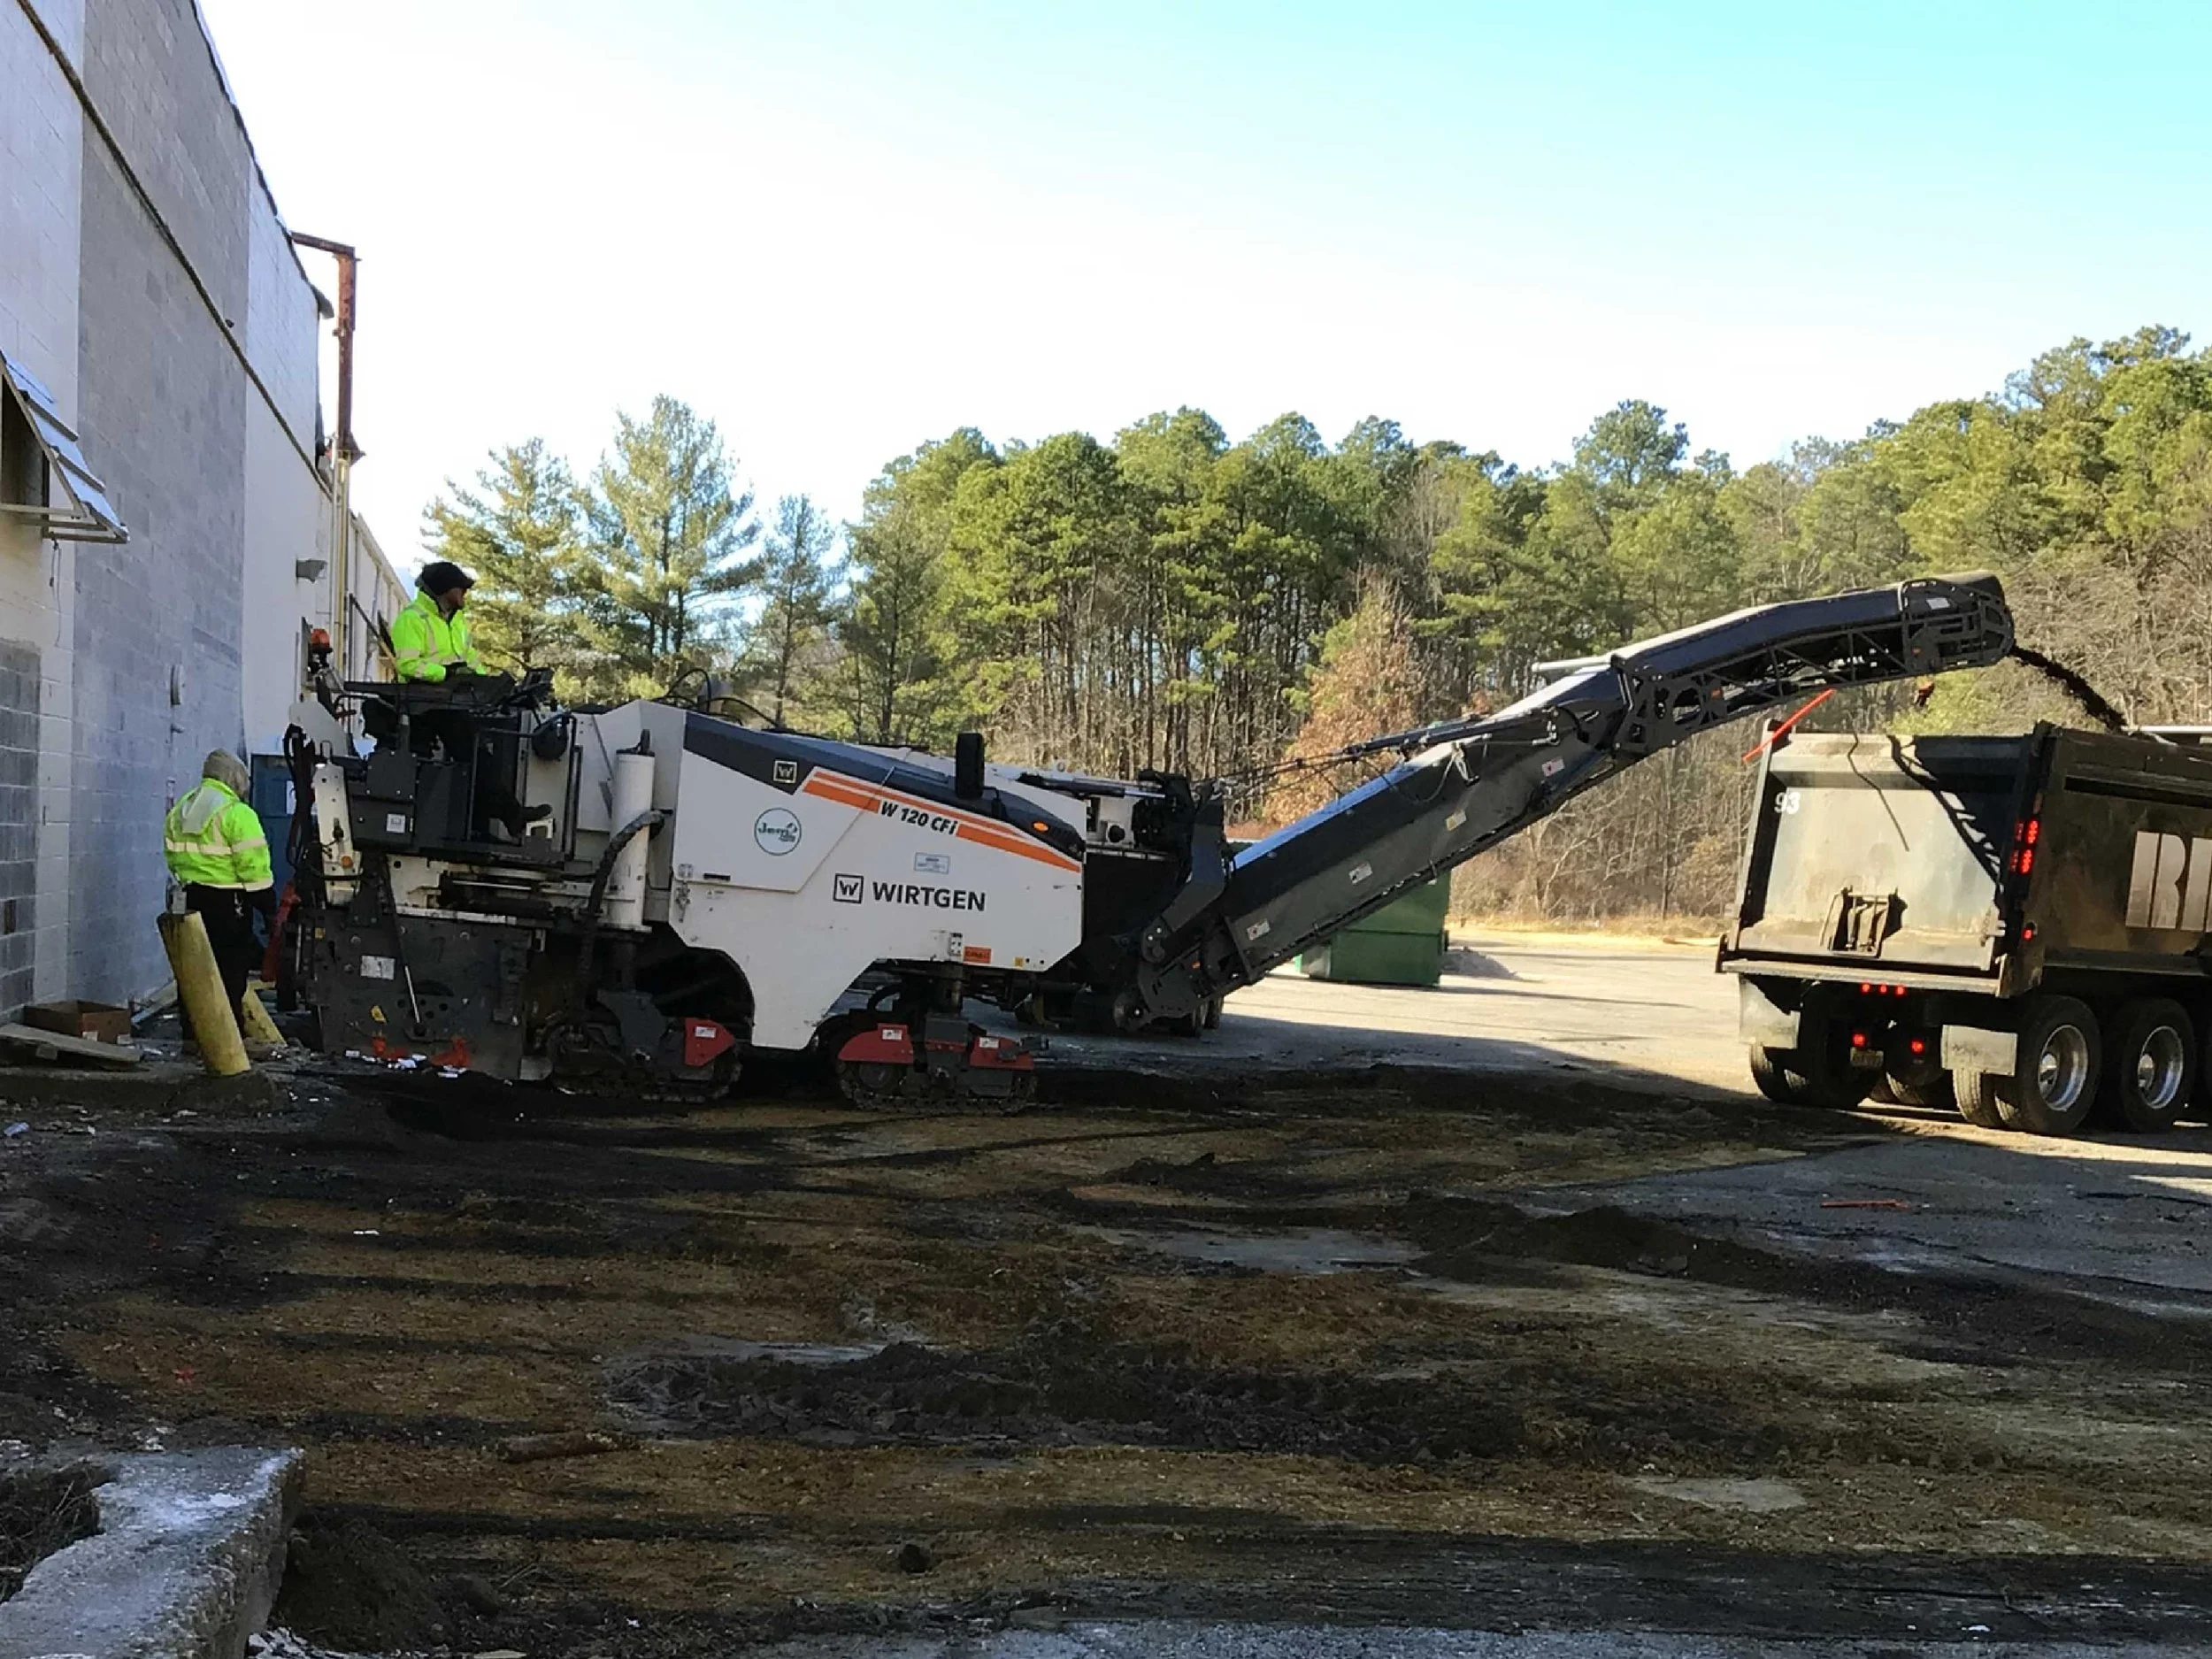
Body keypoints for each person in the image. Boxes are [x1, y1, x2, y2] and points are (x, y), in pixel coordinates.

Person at [387, 560, 547, 841]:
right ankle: (503, 817)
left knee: (478, 758)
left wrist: (488, 688)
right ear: (444, 590)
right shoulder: (412, 619)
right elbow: (408, 665)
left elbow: (471, 663)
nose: (465, 594)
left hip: (452, 703)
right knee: (472, 755)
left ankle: (486, 824)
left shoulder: (457, 622)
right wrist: (445, 674)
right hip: (422, 706)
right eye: (461, 588)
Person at [163, 749, 273, 1043]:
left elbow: (172, 857)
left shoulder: (183, 808)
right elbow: (254, 867)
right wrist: (268, 908)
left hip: (188, 901)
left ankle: (192, 1038)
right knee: (229, 976)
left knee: (193, 973)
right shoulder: (236, 813)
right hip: (229, 905)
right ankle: (227, 1043)